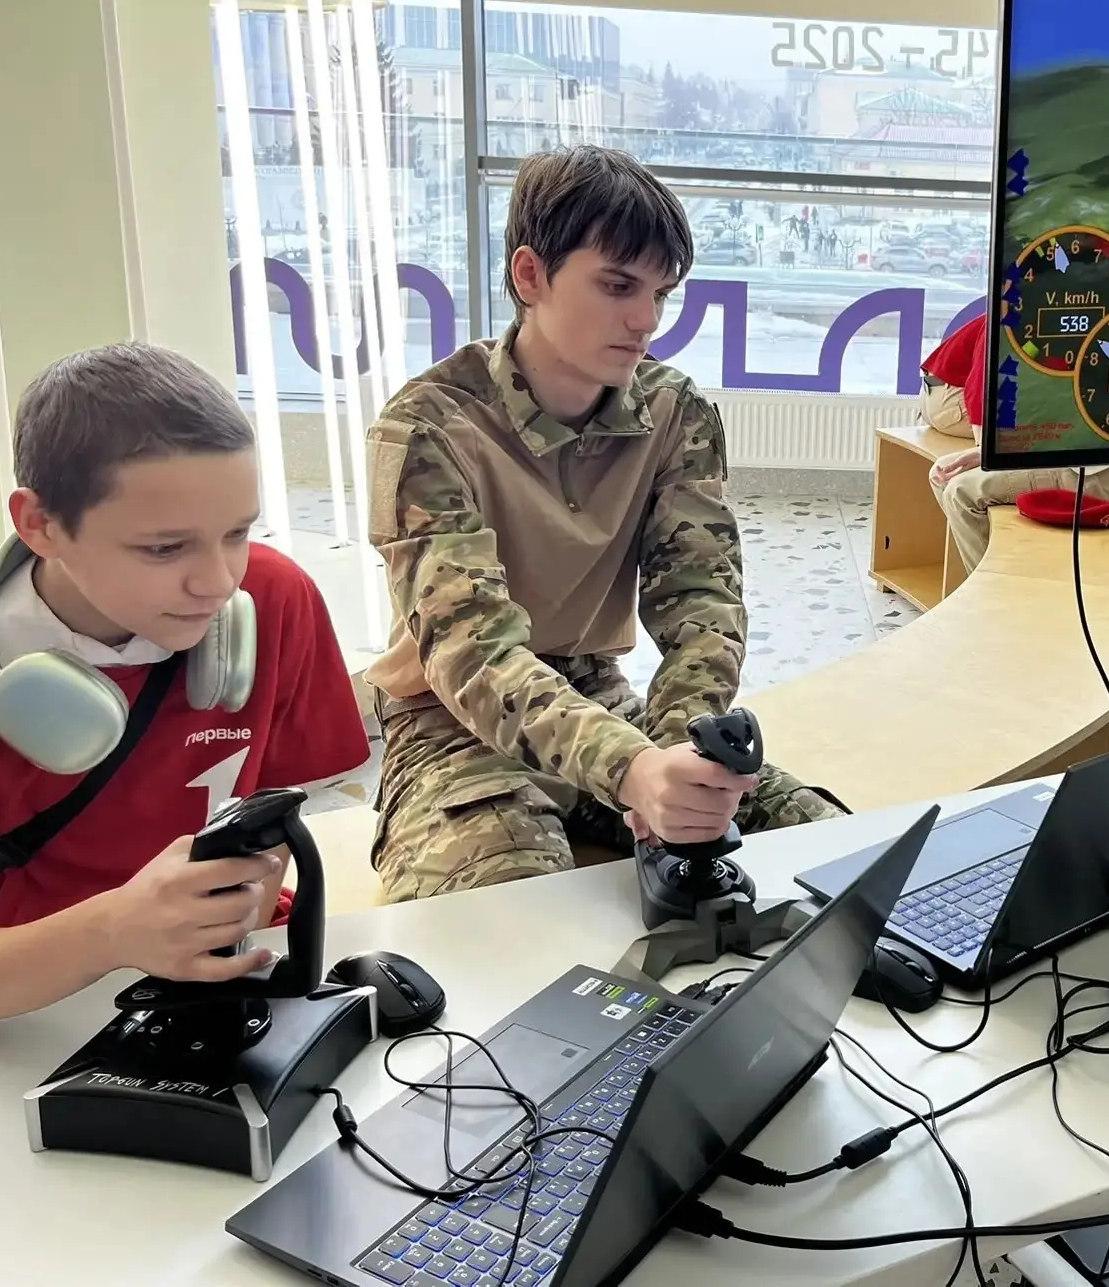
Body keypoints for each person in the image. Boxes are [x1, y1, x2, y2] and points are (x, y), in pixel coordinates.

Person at [362, 145, 847, 903]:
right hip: (451, 724)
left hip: (596, 695)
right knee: (511, 914)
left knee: (833, 845)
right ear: (531, 276)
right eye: (618, 285)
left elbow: (702, 602)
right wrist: (632, 769)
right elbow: (471, 652)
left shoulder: (675, 411)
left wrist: (683, 755)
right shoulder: (430, 427)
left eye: (661, 293)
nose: (646, 319)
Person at [0, 345, 369, 1031]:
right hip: (35, 1005)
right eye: (164, 548)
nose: (218, 582)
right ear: (39, 525)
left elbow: (280, 817)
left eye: (237, 533)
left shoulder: (275, 597)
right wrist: (116, 933)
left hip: (229, 974)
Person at [924, 314, 1109, 573]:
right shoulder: (1064, 321)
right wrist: (990, 453)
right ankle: (987, 582)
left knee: (961, 492)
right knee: (942, 472)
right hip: (1080, 453)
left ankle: (998, 593)